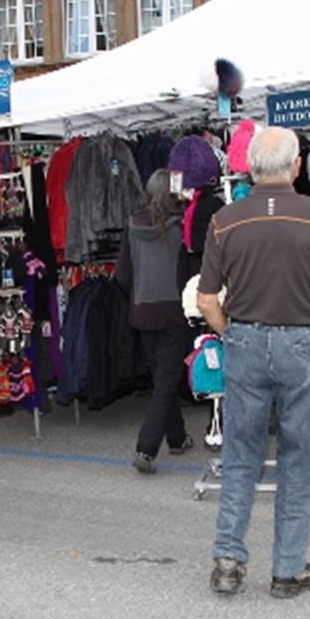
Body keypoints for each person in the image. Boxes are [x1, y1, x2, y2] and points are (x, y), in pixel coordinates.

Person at [196, 126, 310, 598]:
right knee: (297, 460)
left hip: (245, 339)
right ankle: (287, 569)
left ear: (249, 167)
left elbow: (206, 299)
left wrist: (232, 334)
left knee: (240, 455)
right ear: (298, 165)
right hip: (302, 340)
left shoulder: (225, 220)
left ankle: (228, 560)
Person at [116, 169, 195, 474]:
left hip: (143, 310)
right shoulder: (181, 229)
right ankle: (146, 448)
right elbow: (188, 275)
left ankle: (177, 438)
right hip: (174, 310)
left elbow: (123, 275)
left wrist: (138, 293)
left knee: (163, 377)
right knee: (165, 380)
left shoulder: (132, 225)